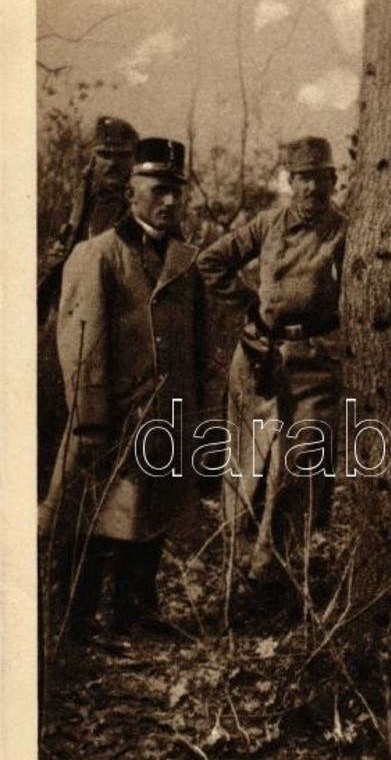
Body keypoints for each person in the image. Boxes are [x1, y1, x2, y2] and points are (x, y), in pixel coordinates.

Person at [40, 137, 210, 641]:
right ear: (132, 192)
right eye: (159, 190)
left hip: (168, 415)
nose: (170, 202)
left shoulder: (186, 260)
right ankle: (75, 619)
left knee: (152, 513)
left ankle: (136, 609)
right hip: (111, 415)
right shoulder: (98, 255)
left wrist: (199, 413)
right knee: (92, 515)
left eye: (177, 192)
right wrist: (91, 418)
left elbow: (202, 347)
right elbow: (81, 342)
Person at [197, 136, 345, 595]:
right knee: (246, 460)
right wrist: (249, 305)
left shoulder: (346, 230)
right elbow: (212, 261)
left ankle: (273, 572)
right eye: (302, 178)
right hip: (257, 357)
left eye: (320, 179)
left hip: (313, 363)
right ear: (290, 181)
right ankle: (236, 565)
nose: (311, 190)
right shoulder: (268, 224)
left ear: (333, 181)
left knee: (296, 464)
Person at [38, 117, 139, 493]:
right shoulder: (79, 204)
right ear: (92, 160)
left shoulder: (141, 211)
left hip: (115, 336)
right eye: (103, 155)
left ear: (134, 162)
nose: (112, 164)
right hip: (64, 328)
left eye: (121, 156)